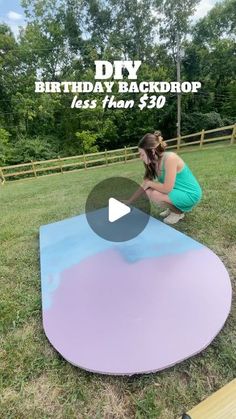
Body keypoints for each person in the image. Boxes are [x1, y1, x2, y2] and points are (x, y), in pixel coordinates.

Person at [126, 131, 202, 224]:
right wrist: (129, 201)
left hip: (190, 194)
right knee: (148, 192)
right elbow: (144, 185)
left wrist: (150, 183)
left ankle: (178, 213)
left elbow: (166, 188)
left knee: (155, 194)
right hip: (176, 191)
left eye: (142, 154)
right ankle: (172, 209)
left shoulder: (170, 158)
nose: (140, 157)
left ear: (152, 151)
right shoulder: (153, 163)